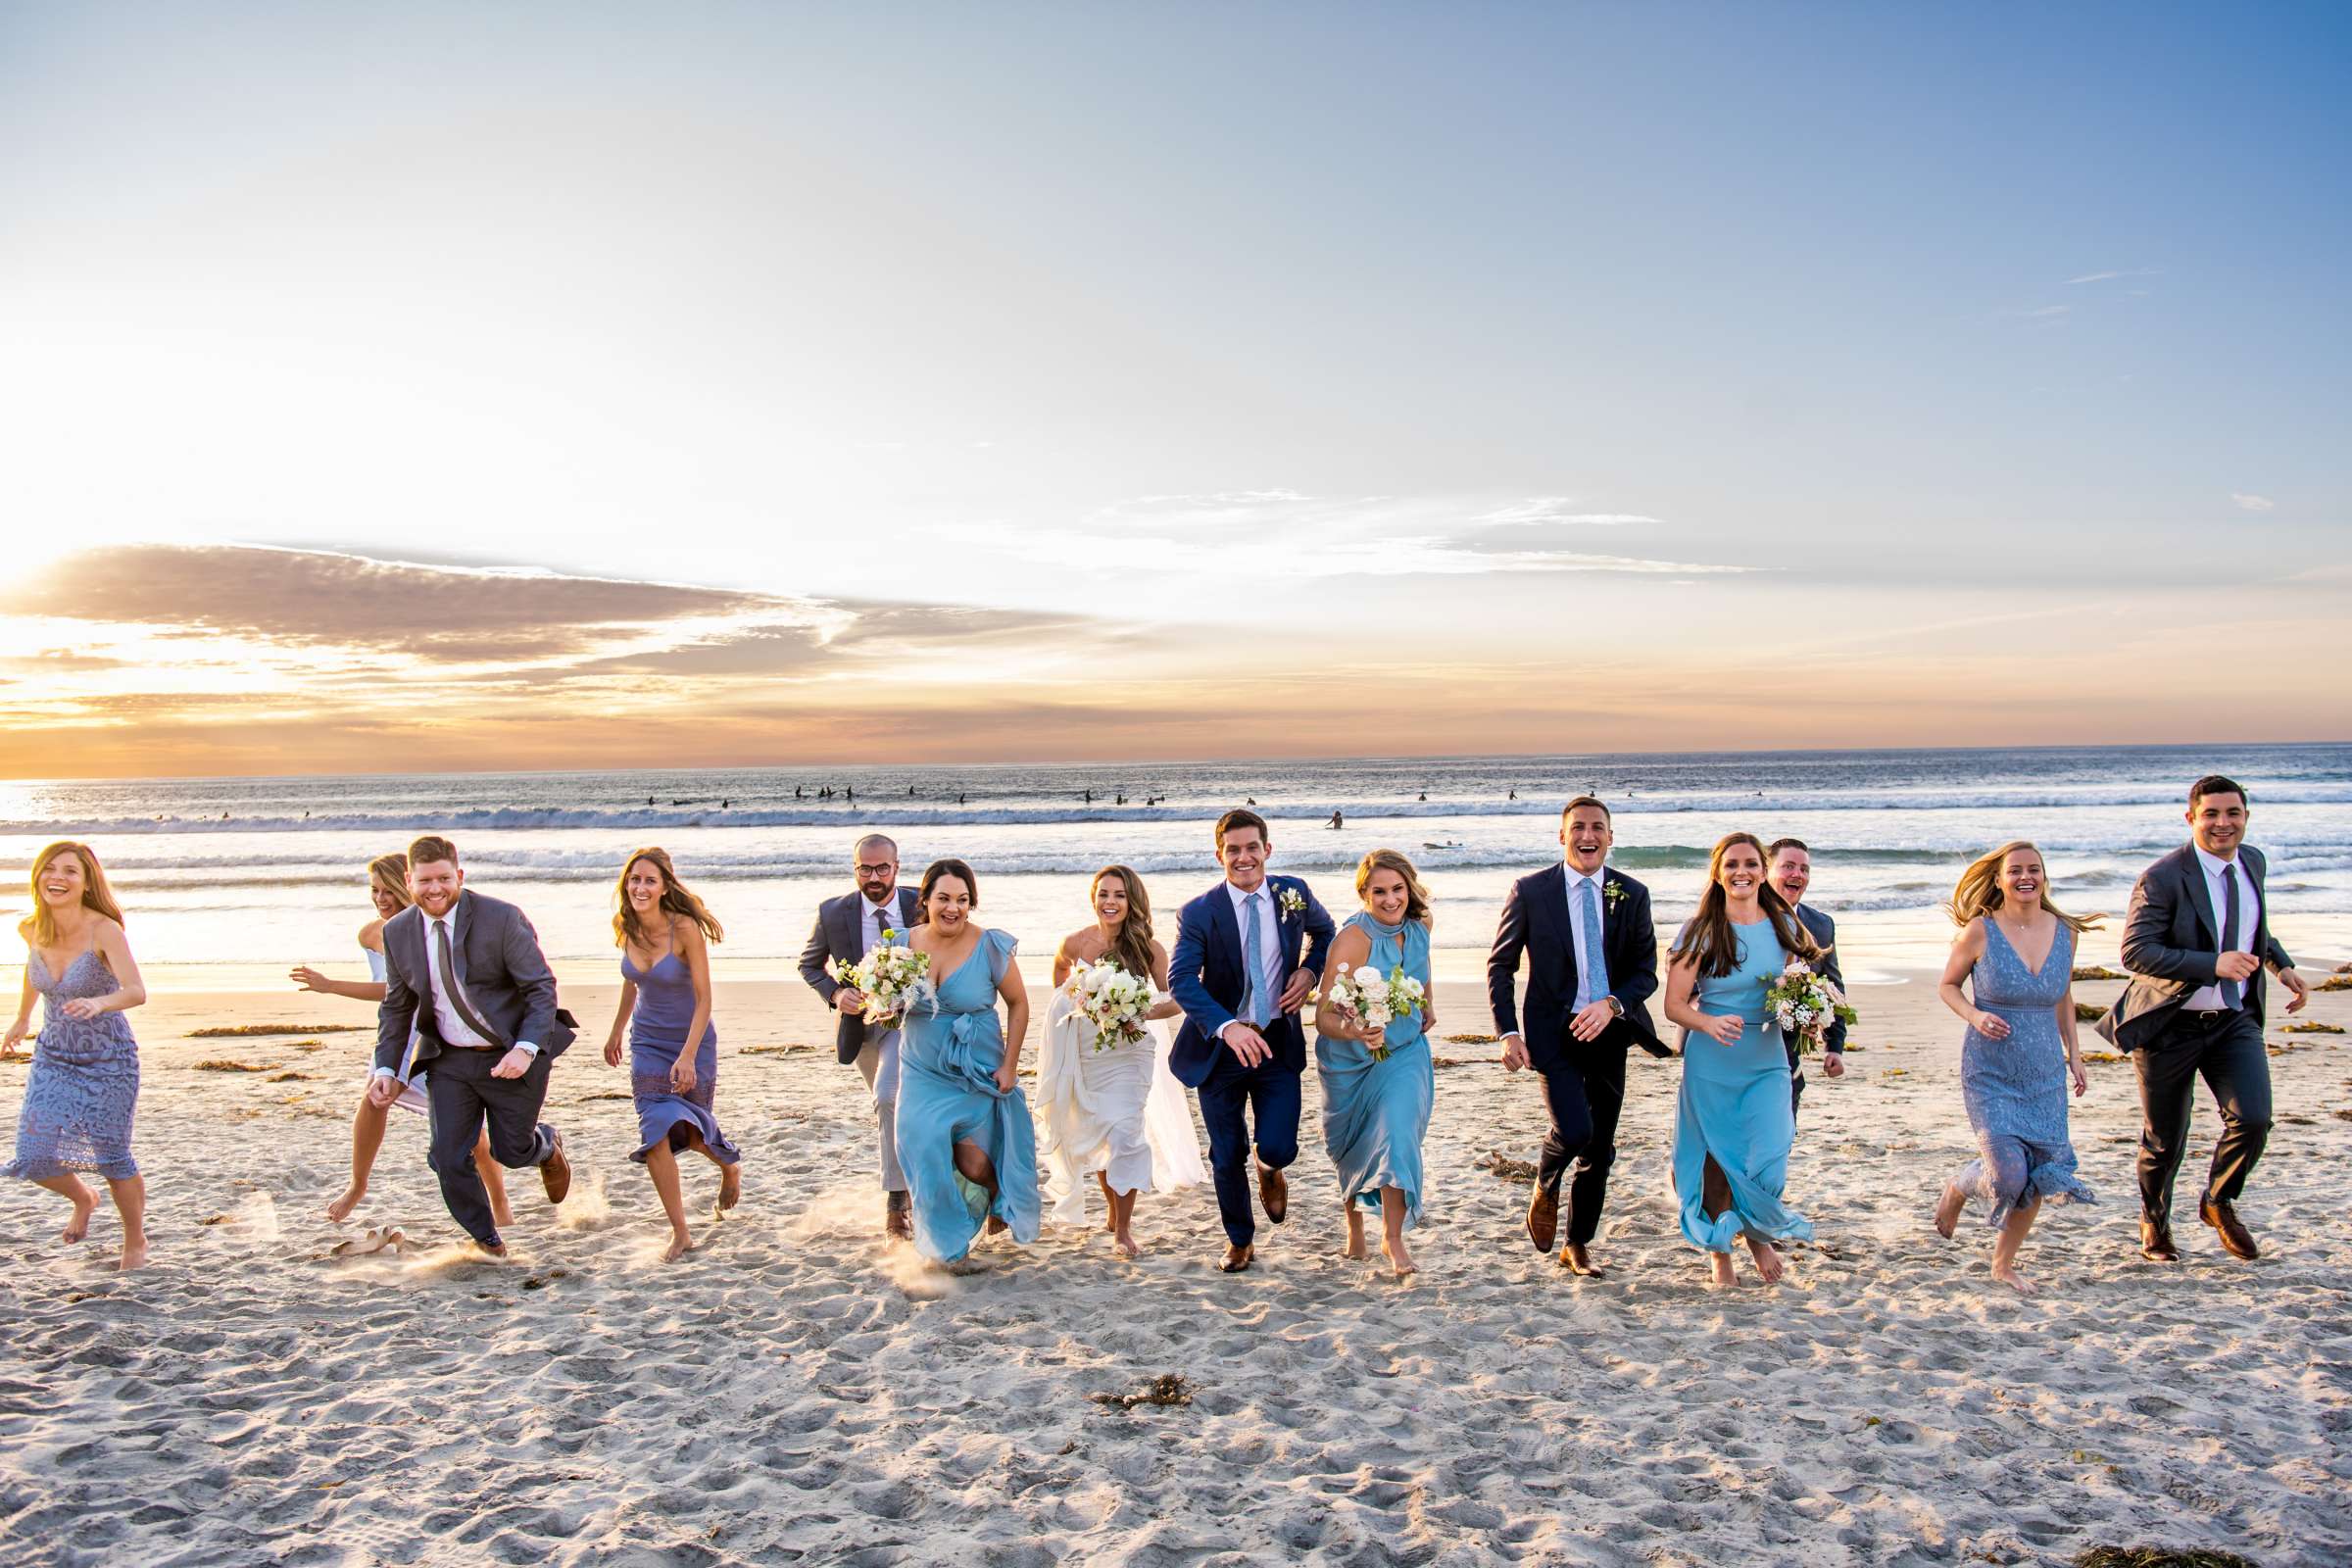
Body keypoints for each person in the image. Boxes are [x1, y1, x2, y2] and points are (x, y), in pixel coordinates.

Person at [2096, 775, 2308, 1263]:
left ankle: (2218, 1202)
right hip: (2170, 1024)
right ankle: (2155, 1223)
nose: (2222, 823)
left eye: (2232, 813)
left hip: (2233, 1019)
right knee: (2165, 1138)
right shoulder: (2164, 876)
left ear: (2245, 818)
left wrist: (2282, 965)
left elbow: (2255, 928)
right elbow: (2136, 951)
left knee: (2254, 1118)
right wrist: (2211, 964)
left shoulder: (2253, 860)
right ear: (2190, 817)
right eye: (2210, 814)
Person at [371, 835, 576, 1253]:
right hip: (449, 1061)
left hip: (511, 1055)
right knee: (447, 1157)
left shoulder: (500, 918)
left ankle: (547, 1146)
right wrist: (387, 1070)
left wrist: (526, 1048)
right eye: (426, 880)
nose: (435, 889)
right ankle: (487, 1239)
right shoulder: (397, 932)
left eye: (444, 878)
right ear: (409, 880)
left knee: (511, 1151)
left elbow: (540, 989)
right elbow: (397, 1007)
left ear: (459, 875)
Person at [1490, 798, 1666, 1278]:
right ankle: (1546, 1181)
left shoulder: (1632, 893)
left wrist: (1611, 1005)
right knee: (1575, 1130)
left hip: (1609, 1030)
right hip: (1552, 1031)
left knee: (1601, 1148)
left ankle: (1577, 1244)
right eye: (1578, 828)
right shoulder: (1530, 891)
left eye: (1598, 828)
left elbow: (1645, 973)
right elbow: (1501, 965)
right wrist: (1507, 1032)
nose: (1588, 836)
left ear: (1611, 837)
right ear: (1562, 835)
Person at [295, 852, 509, 1227]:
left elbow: (398, 989)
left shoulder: (428, 929)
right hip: (396, 1034)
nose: (381, 899)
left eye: (388, 890)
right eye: (374, 891)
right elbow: (392, 1000)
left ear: (404, 886)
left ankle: (500, 1204)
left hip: (435, 1037)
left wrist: (331, 987)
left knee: (469, 1131)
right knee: (373, 1101)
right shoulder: (370, 933)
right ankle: (357, 1186)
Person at [1168, 808, 1337, 1273]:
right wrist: (1228, 1026)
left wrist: (1310, 968)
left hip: (1278, 1041)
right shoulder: (1199, 912)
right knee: (1226, 1153)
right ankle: (1240, 1240)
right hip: (1219, 1049)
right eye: (1233, 850)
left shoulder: (1293, 893)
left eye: (1252, 848)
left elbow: (1325, 932)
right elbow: (1181, 979)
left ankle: (1270, 1169)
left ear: (1268, 849)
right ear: (1219, 854)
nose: (1244, 858)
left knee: (1278, 1145)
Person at [1932, 842, 2097, 1292]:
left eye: (2035, 870)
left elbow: (2063, 995)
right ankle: (1961, 1184)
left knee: (2040, 1172)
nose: (2026, 877)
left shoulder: (2065, 931)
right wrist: (1974, 1014)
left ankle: (2003, 1264)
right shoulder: (1980, 931)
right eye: (2016, 870)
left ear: (2044, 877)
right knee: (2007, 1175)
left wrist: (2075, 1054)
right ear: (2001, 879)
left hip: (2044, 1069)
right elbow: (1947, 986)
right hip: (1991, 1068)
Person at [1660, 832, 1822, 1288]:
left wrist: (1808, 1017)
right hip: (1713, 1058)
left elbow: (1794, 989)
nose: (1741, 872)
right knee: (1715, 1158)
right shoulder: (1700, 931)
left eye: (1750, 863)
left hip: (1767, 1056)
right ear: (1717, 873)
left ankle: (1754, 1232)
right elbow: (1674, 1006)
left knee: (1770, 1154)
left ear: (1762, 870)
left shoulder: (1783, 926)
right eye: (1731, 864)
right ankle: (1721, 1253)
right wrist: (1707, 1024)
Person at [1035, 866, 1205, 1257]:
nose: (1110, 902)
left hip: (1131, 1050)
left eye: (1119, 895)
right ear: (1093, 898)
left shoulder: (1150, 949)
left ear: (1133, 902)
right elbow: (1062, 989)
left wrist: (1138, 1013)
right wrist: (1084, 1004)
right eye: (1103, 894)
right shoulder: (1074, 943)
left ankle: (1124, 1229)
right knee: (1098, 1129)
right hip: (1088, 1050)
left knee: (1125, 1132)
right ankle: (1113, 1209)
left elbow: (1175, 1000)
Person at [3, 842, 149, 1271]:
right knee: (33, 1157)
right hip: (54, 1057)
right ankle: (84, 1198)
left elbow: (136, 991)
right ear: (37, 877)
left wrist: (99, 1003)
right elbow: (34, 972)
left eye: (70, 871)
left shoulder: (104, 929)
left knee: (112, 1157)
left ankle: (135, 1240)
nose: (58, 877)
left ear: (87, 883)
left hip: (110, 1061)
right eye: (50, 869)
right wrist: (21, 1018)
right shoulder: (30, 928)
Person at [896, 859, 1038, 1265]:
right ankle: (946, 1246)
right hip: (921, 1069)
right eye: (943, 898)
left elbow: (1019, 1003)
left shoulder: (990, 945)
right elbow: (889, 1011)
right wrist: (884, 1008)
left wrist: (1010, 1065)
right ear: (925, 899)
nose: (953, 908)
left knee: (974, 1164)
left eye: (962, 899)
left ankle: (997, 1194)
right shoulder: (900, 944)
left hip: (975, 1069)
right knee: (921, 1149)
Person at [603, 849, 741, 1261]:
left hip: (691, 1042)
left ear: (665, 887)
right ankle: (681, 1232)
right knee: (656, 1131)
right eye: (634, 880)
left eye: (649, 880)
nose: (641, 887)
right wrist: (615, 1031)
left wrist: (687, 1055)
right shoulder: (624, 926)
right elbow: (632, 981)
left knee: (693, 1131)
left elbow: (704, 999)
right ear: (625, 885)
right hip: (646, 1042)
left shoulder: (684, 930)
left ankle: (729, 1165)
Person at [1314, 850, 1438, 1278]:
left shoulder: (1421, 925)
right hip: (1350, 1059)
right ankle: (1354, 1224)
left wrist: (1428, 1002)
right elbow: (1323, 1016)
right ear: (1364, 894)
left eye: (1398, 889)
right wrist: (1355, 1033)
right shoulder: (1352, 939)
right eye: (1379, 891)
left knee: (1397, 1134)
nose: (1390, 900)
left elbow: (1421, 970)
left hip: (1404, 1051)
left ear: (1410, 888)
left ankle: (1393, 1236)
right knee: (1350, 1141)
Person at [799, 834, 922, 1239]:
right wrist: (836, 992)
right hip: (861, 1029)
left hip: (910, 1024)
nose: (874, 877)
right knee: (894, 1110)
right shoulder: (833, 913)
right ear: (855, 870)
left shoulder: (921, 903)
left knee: (889, 1098)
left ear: (896, 867)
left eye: (882, 868)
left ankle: (896, 1204)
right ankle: (917, 1188)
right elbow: (810, 965)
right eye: (865, 869)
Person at [1765, 839, 1847, 1118]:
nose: (1797, 874)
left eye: (1804, 869)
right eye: (1788, 866)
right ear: (1766, 871)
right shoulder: (1740, 919)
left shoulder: (1821, 925)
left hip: (1789, 1059)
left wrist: (1834, 1047)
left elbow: (1832, 987)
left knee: (1782, 1137)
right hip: (1740, 1048)